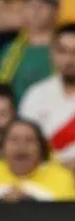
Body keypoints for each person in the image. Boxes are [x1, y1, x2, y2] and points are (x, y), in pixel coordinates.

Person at [0, 118, 75, 200]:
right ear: (2, 148)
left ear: (41, 149)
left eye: (29, 140)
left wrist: (31, 201)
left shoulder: (62, 178)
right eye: (14, 140)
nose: (21, 146)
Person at [0, 0, 61, 103]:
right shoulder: (9, 51)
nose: (35, 11)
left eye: (43, 4)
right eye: (29, 4)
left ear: (56, 9)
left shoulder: (68, 49)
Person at [18, 24, 75, 166]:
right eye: (63, 51)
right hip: (43, 178)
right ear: (52, 54)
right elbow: (23, 144)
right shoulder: (35, 94)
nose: (69, 59)